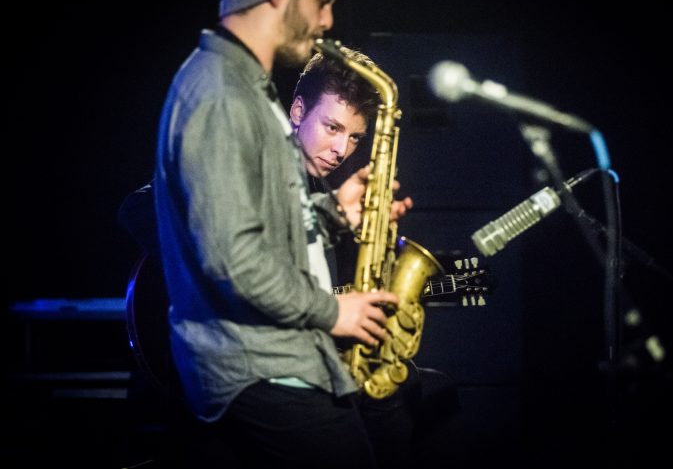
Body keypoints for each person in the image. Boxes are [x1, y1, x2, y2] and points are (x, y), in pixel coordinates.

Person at [121, 41, 466, 468]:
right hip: (225, 363)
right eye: (332, 127)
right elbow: (137, 208)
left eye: (355, 137)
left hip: (283, 359)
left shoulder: (321, 189)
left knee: (421, 387)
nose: (341, 150)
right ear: (298, 111)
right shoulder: (254, 157)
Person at [148, 0, 414, 467]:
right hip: (263, 370)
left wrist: (334, 211)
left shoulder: (244, 88)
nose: (327, 20)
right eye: (322, 1)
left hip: (269, 367)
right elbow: (232, 260)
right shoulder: (221, 94)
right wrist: (334, 312)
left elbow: (257, 227)